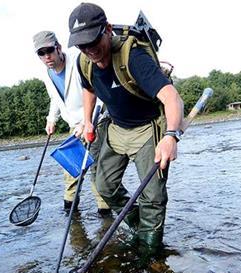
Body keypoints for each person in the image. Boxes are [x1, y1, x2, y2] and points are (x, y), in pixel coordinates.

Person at [67, 3, 184, 251]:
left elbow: (172, 98)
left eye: (93, 41)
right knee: (105, 186)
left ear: (107, 30)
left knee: (152, 197)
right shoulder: (83, 62)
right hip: (116, 128)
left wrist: (171, 136)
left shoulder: (133, 57)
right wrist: (88, 121)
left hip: (147, 130)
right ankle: (137, 224)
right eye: (82, 45)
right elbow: (89, 89)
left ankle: (150, 250)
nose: (89, 50)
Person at [32, 30, 111, 217]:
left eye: (49, 50)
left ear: (58, 48)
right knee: (71, 169)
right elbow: (55, 98)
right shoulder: (47, 74)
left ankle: (104, 213)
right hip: (73, 127)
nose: (47, 57)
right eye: (41, 53)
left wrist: (87, 121)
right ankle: (70, 212)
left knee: (95, 168)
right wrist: (52, 119)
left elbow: (98, 92)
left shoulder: (78, 61)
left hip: (95, 122)